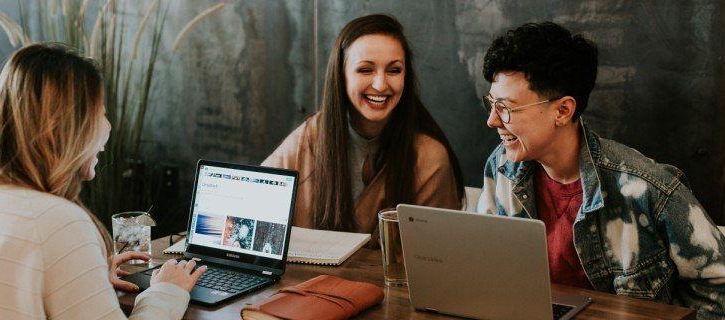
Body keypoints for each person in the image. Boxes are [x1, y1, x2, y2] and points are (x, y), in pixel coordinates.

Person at [475, 22, 725, 318]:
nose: (492, 120)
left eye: (505, 108)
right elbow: (484, 267)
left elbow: (718, 289)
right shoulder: (502, 167)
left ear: (563, 111)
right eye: (491, 104)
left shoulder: (646, 188)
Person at [0, 43, 207, 320]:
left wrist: (85, 275)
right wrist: (167, 291)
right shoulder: (57, 221)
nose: (108, 127)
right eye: (100, 114)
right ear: (68, 127)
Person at [263, 14, 463, 244]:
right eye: (365, 70)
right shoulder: (310, 136)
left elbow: (437, 253)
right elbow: (253, 202)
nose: (380, 84)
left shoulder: (429, 157)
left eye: (394, 70)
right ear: (341, 76)